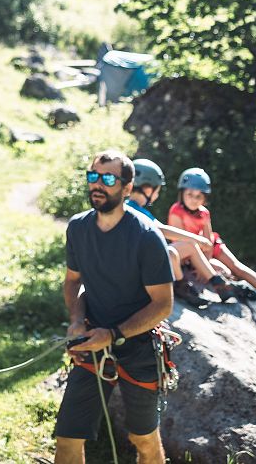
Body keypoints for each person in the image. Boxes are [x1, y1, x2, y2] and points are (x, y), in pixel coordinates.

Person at [56, 151, 175, 464]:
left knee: (143, 439)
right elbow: (73, 282)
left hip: (139, 348)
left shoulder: (147, 237)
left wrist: (113, 334)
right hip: (91, 341)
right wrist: (76, 320)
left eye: (108, 179)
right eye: (93, 176)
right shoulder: (78, 228)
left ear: (126, 188)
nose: (98, 184)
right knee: (68, 437)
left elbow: (163, 305)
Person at [169, 168, 256, 321]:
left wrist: (205, 261)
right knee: (221, 269)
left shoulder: (204, 213)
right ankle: (238, 288)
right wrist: (203, 264)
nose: (194, 199)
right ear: (182, 194)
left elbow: (208, 238)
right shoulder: (176, 211)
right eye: (190, 195)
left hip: (210, 246)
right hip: (192, 251)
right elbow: (179, 240)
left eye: (199, 196)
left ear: (205, 197)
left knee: (237, 266)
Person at [127, 159, 249, 306]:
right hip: (136, 267)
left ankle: (214, 283)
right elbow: (162, 230)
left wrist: (194, 241)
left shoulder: (136, 209)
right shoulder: (130, 209)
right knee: (174, 252)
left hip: (140, 262)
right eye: (157, 191)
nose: (157, 196)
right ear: (147, 189)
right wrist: (197, 239)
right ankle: (187, 286)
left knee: (182, 248)